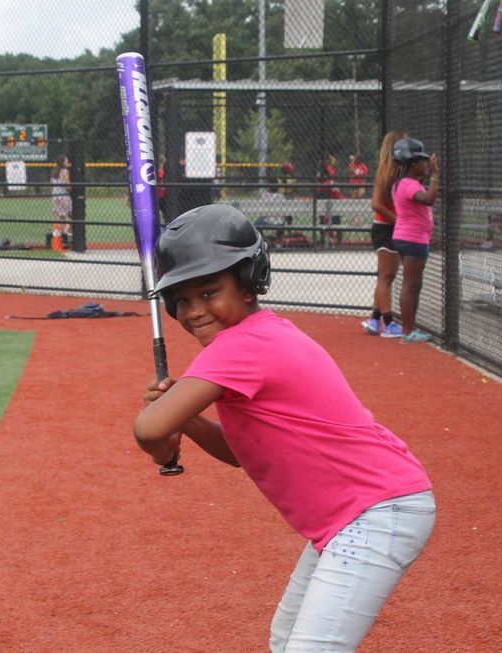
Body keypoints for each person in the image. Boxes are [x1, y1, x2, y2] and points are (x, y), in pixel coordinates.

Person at [133, 204, 436, 652]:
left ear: (250, 283)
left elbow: (148, 430)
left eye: (210, 291)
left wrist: (164, 443)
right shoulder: (259, 335)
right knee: (286, 640)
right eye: (182, 300)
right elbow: (241, 452)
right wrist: (187, 421)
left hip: (375, 510)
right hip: (365, 510)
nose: (194, 310)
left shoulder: (239, 347)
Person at [391, 138, 439, 344]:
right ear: (412, 164)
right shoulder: (408, 184)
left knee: (414, 284)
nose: (425, 165)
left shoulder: (403, 183)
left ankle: (410, 328)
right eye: (421, 162)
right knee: (410, 285)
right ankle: (408, 331)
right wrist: (435, 175)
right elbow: (428, 199)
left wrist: (428, 176)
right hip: (413, 239)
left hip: (409, 237)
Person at [361, 131, 408, 338]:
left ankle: (374, 318)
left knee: (385, 276)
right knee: (386, 277)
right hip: (385, 228)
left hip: (392, 227)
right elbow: (376, 204)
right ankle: (388, 323)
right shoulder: (385, 173)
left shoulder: (399, 172)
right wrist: (399, 221)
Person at [51, 155, 72, 247]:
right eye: (66, 161)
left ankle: (58, 235)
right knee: (73, 216)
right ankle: (65, 235)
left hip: (55, 196)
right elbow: (66, 185)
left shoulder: (54, 171)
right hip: (63, 196)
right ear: (63, 162)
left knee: (61, 217)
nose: (68, 162)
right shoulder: (64, 171)